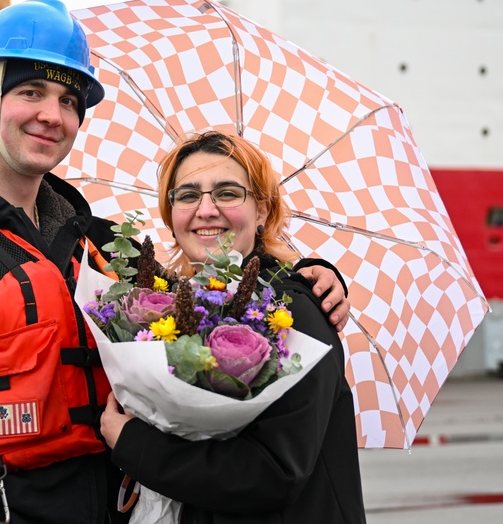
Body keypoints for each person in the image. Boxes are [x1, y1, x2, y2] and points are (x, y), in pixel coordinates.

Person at [0, 0, 350, 524]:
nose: (51, 115)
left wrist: (308, 276)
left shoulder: (104, 246)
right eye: (30, 92)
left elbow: (205, 309)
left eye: (68, 101)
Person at [99, 130, 365, 523]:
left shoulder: (296, 312)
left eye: (227, 193)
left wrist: (135, 446)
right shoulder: (166, 312)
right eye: (188, 195)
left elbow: (274, 472)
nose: (206, 210)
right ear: (171, 217)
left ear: (261, 212)